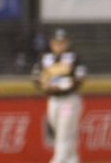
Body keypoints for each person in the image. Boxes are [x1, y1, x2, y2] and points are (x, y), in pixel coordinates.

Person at [32, 28, 86, 163]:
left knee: (64, 131)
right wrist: (43, 84)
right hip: (53, 100)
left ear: (67, 43)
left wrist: (62, 83)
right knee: (62, 132)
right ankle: (72, 159)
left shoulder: (74, 57)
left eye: (62, 42)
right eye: (56, 42)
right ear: (51, 43)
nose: (59, 45)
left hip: (68, 100)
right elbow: (36, 77)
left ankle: (58, 159)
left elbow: (79, 78)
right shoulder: (45, 58)